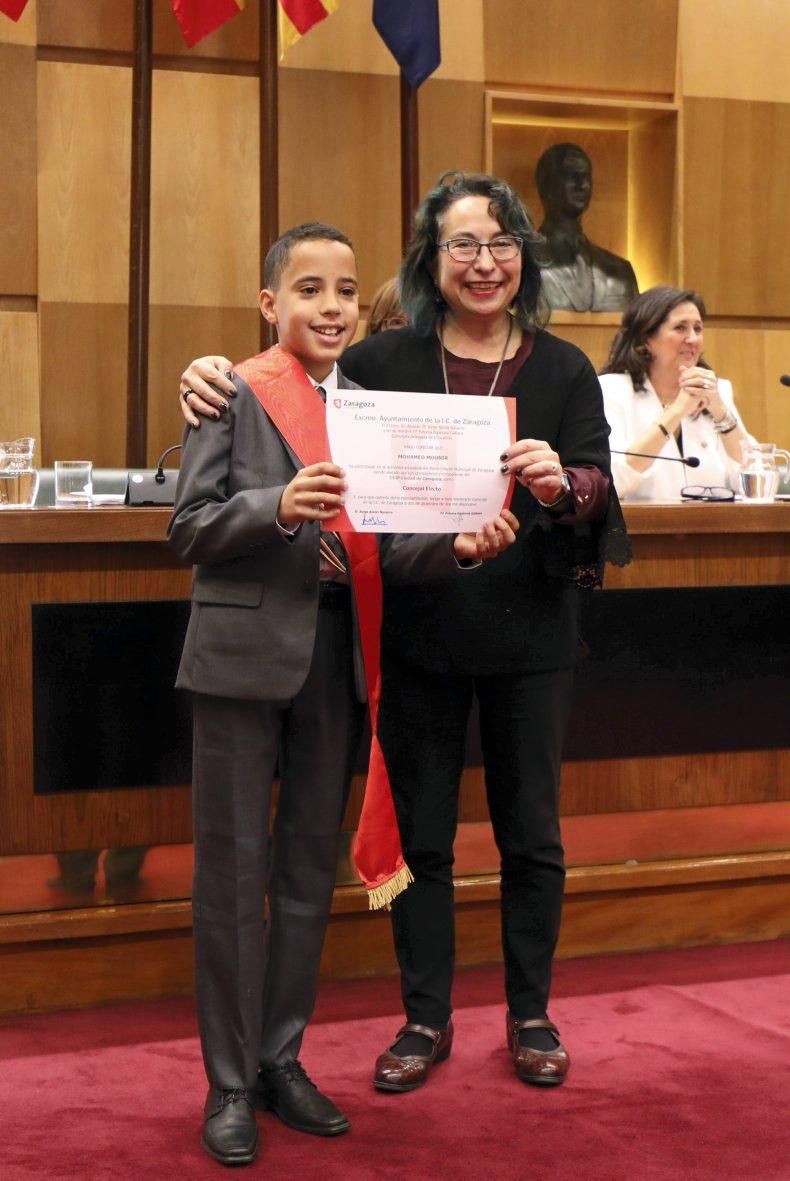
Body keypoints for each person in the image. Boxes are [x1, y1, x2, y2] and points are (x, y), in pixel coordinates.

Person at [178, 173, 630, 1097]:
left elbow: (587, 488)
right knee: (387, 845)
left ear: (522, 256)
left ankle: (513, 1016)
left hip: (507, 633)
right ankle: (385, 1030)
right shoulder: (382, 363)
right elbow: (244, 453)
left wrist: (536, 501)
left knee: (512, 836)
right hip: (400, 640)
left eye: (501, 242)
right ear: (431, 259)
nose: (484, 260)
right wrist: (208, 374)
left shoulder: (561, 367)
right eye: (463, 243)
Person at [169, 221, 517, 1166]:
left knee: (303, 877)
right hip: (242, 658)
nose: (331, 308)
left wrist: (456, 545)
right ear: (270, 303)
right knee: (233, 881)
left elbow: (391, 545)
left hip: (339, 658)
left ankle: (281, 1058)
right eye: (310, 290)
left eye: (346, 291)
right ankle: (228, 1081)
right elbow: (189, 526)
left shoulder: (371, 408)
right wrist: (272, 507)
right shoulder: (231, 391)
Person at [598, 286, 752, 501]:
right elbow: (611, 483)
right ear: (646, 338)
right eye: (680, 328)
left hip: (716, 530)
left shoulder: (717, 392)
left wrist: (721, 412)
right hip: (641, 531)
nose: (693, 339)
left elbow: (755, 482)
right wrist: (678, 411)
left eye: (697, 329)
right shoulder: (613, 390)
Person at [535, 142, 638, 313]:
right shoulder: (521, 267)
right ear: (545, 184)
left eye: (586, 177)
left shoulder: (621, 272)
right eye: (571, 176)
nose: (582, 185)